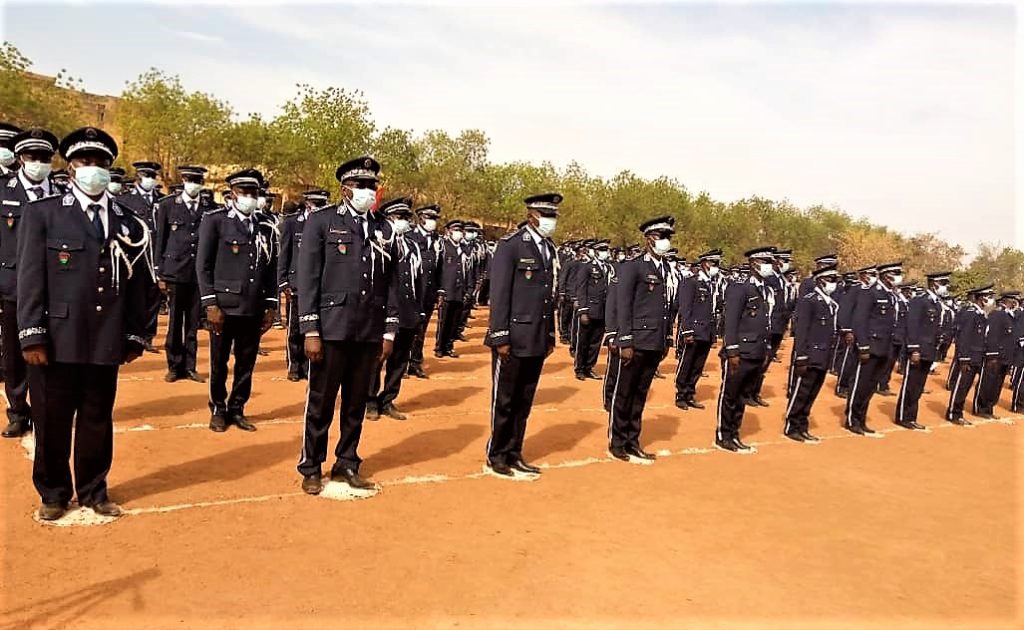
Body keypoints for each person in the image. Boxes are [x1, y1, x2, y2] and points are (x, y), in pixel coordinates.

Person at [18, 126, 152, 520]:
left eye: (100, 163)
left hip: (105, 338)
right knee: (51, 419)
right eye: (84, 162)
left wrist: (134, 334)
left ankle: (94, 489)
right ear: (71, 168)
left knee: (97, 418)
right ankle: (54, 492)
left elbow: (140, 284)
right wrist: (32, 335)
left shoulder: (129, 221)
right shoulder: (43, 214)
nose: (93, 169)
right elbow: (30, 278)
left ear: (109, 169)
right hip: (56, 338)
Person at [296, 156, 397, 495]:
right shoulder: (322, 222)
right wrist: (310, 330)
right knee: (321, 402)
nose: (370, 191)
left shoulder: (384, 228)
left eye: (373, 185)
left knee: (355, 403)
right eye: (363, 186)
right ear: (345, 189)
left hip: (368, 330)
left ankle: (347, 462)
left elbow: (392, 282)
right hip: (331, 328)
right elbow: (308, 279)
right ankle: (311, 465)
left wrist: (388, 331)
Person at [483, 193, 561, 477]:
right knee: (504, 400)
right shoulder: (511, 246)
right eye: (547, 215)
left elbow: (547, 297)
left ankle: (515, 451)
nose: (551, 221)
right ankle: (497, 455)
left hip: (537, 338)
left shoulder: (549, 249)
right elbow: (500, 294)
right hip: (513, 337)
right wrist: (500, 335)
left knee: (524, 401)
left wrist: (550, 334)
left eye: (554, 216)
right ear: (532, 216)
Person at [196, 169, 278, 433]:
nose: (250, 197)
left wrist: (270, 305)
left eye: (253, 193)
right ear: (232, 194)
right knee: (219, 361)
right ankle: (218, 408)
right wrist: (210, 304)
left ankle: (237, 408)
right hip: (223, 306)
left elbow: (271, 266)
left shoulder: (266, 225)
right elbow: (203, 265)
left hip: (253, 306)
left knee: (246, 362)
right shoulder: (215, 221)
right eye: (244, 192)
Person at [0, 127, 59, 438]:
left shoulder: (61, 193)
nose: (39, 162)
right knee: (15, 353)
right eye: (33, 157)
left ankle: (45, 410)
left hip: (54, 286)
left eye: (45, 157)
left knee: (50, 349)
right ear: (21, 158)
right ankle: (18, 410)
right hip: (13, 285)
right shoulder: (4, 190)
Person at [608, 217, 676, 462]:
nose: (665, 242)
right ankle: (617, 442)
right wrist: (624, 341)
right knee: (624, 392)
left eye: (668, 237)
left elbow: (668, 307)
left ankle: (632, 440)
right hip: (635, 341)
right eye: (661, 236)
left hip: (654, 341)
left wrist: (666, 339)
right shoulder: (633, 266)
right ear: (649, 238)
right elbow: (622, 305)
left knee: (640, 393)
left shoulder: (667, 269)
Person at [367, 198, 424, 421]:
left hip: (408, 311)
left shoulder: (413, 246)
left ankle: (388, 399)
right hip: (383, 312)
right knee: (377, 358)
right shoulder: (379, 242)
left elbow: (418, 280)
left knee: (400, 361)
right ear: (389, 218)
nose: (404, 222)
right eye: (400, 218)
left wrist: (419, 312)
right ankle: (370, 400)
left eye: (406, 218)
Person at [154, 165, 210, 383]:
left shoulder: (208, 208)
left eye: (197, 180)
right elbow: (161, 240)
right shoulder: (168, 206)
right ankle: (174, 365)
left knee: (193, 323)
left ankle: (190, 365)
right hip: (175, 271)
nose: (193, 184)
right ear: (184, 181)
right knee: (175, 320)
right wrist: (160, 272)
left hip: (198, 274)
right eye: (190, 180)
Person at [715, 246, 775, 453]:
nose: (770, 265)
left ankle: (734, 433)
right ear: (754, 263)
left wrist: (767, 349)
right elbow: (730, 322)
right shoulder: (739, 287)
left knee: (742, 397)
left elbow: (765, 323)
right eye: (765, 261)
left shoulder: (766, 289)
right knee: (730, 395)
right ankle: (724, 436)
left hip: (756, 351)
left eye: (770, 261)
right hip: (739, 352)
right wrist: (732, 351)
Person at [783, 264, 840, 442]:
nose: (835, 283)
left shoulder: (830, 303)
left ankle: (802, 425)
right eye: (832, 279)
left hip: (824, 355)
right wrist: (801, 356)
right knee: (802, 391)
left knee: (812, 393)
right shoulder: (810, 300)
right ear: (822, 280)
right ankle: (792, 426)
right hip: (810, 354)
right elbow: (802, 330)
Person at [845, 262, 901, 435]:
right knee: (860, 384)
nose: (899, 276)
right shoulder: (870, 292)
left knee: (870, 386)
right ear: (885, 275)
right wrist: (863, 346)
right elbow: (860, 320)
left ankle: (861, 419)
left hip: (884, 348)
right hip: (870, 347)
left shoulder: (891, 295)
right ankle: (852, 419)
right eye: (896, 273)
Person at [894, 271, 951, 430]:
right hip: (918, 350)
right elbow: (912, 326)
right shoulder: (920, 301)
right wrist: (914, 349)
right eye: (944, 283)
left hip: (929, 350)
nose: (946, 286)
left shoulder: (936, 303)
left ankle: (911, 416)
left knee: (918, 386)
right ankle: (903, 416)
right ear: (934, 283)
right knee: (911, 384)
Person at [119, 161, 163, 353]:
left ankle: (148, 336)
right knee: (133, 294)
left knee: (153, 295)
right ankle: (129, 332)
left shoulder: (162, 201)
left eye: (153, 177)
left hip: (155, 254)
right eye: (147, 176)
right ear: (138, 177)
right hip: (135, 255)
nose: (150, 180)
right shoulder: (125, 200)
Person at [277, 196, 321, 381]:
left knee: (312, 327)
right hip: (296, 284)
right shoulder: (292, 224)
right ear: (308, 205)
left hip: (318, 284)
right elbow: (284, 254)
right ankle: (294, 365)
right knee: (295, 328)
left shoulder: (325, 224)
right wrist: (283, 281)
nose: (318, 209)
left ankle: (307, 366)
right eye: (316, 205)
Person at [674, 248, 721, 410]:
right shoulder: (691, 282)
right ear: (704, 264)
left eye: (718, 263)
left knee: (698, 366)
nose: (716, 266)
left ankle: (690, 393)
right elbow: (685, 309)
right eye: (713, 263)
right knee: (687, 363)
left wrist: (713, 335)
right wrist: (686, 331)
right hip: (693, 331)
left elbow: (713, 311)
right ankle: (680, 394)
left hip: (706, 332)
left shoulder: (712, 284)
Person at [946, 285, 994, 425]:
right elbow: (964, 337)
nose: (990, 299)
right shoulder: (970, 313)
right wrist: (964, 358)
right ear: (981, 297)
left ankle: (958, 412)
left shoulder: (980, 314)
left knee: (966, 386)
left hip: (977, 356)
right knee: (961, 385)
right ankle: (953, 413)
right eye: (988, 296)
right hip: (969, 356)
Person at [406, 204, 441, 378]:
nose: (433, 222)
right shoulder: (410, 237)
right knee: (407, 329)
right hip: (412, 292)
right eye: (430, 218)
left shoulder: (436, 240)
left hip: (428, 292)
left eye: (435, 219)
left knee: (421, 331)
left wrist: (438, 291)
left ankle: (415, 362)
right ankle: (403, 362)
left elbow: (438, 267)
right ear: (421, 218)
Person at [973, 292, 1017, 418]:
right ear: (1006, 301)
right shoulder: (998, 314)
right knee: (987, 382)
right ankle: (980, 408)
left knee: (997, 384)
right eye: (1012, 300)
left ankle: (989, 408)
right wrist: (992, 354)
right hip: (995, 356)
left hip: (1004, 356)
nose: (1014, 303)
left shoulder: (1009, 315)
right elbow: (991, 334)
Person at [572, 239, 612, 380]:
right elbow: (581, 289)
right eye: (602, 250)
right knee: (583, 341)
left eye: (606, 250)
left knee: (595, 342)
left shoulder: (608, 268)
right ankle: (580, 368)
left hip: (602, 310)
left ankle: (589, 367)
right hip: (589, 309)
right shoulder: (587, 267)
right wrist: (583, 310)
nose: (605, 253)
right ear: (595, 252)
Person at [434, 219, 466, 358]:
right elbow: (438, 269)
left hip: (459, 290)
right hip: (447, 290)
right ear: (448, 231)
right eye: (455, 230)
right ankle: (439, 347)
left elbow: (466, 271)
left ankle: (449, 346)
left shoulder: (463, 248)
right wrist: (440, 289)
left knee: (454, 321)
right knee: (444, 321)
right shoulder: (444, 247)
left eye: (460, 230)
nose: (458, 233)